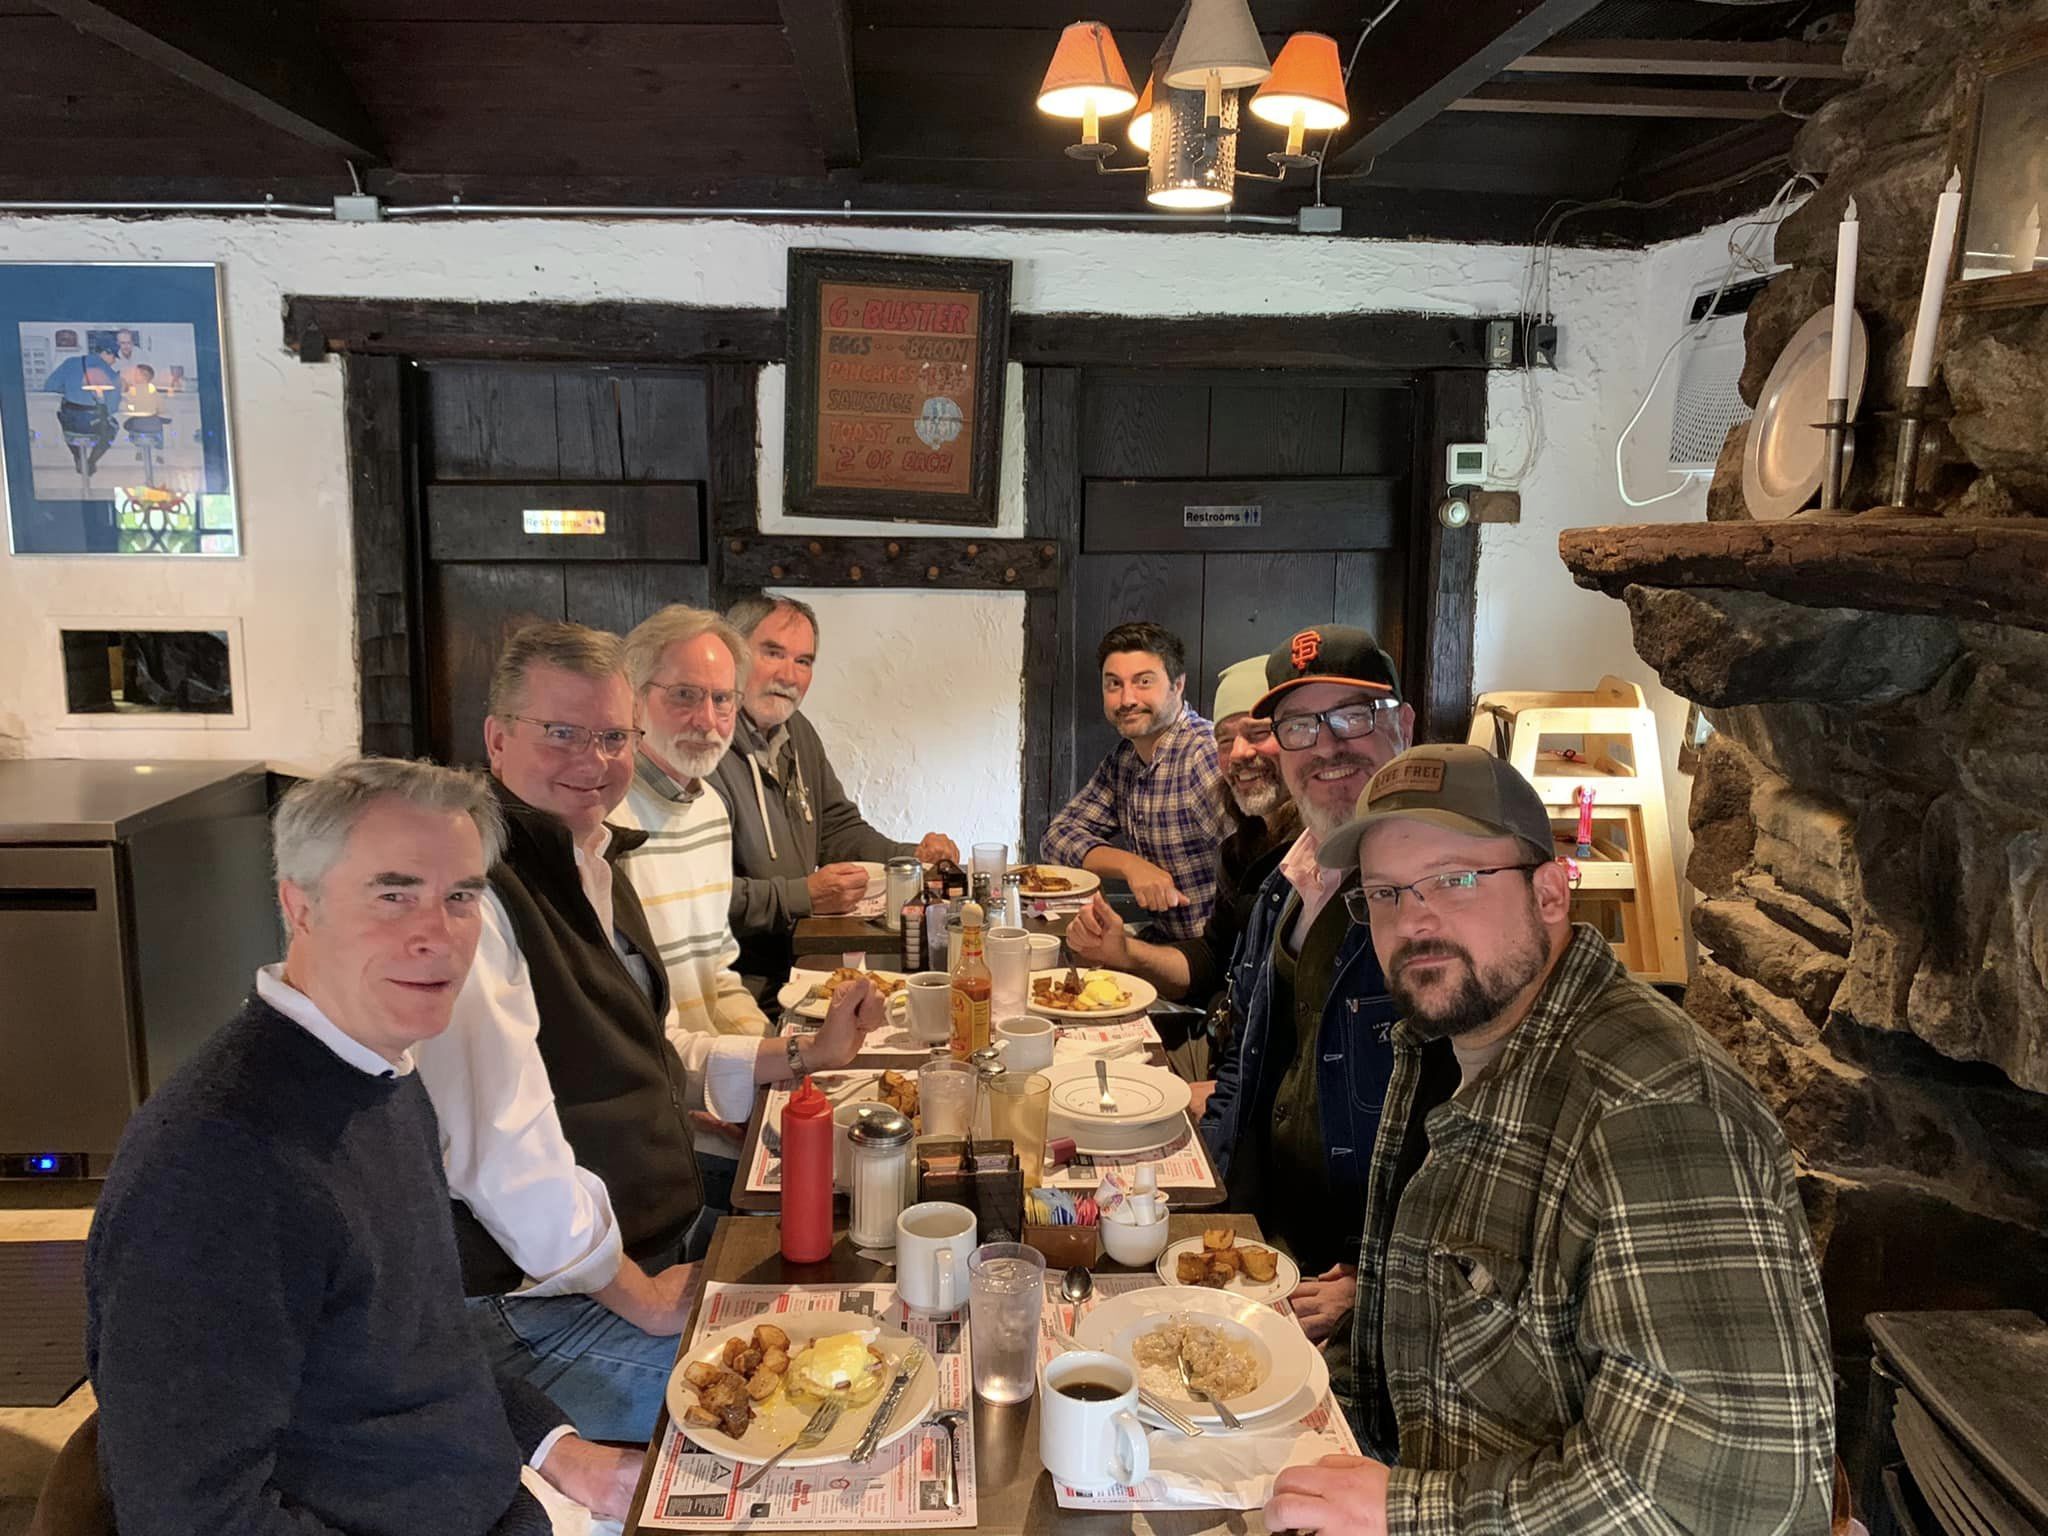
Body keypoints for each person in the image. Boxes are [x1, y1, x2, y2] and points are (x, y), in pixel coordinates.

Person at [1263, 743, 1835, 1536]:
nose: (1414, 921)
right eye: (1386, 893)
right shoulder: (1444, 1043)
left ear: (1552, 893)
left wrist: (1403, 1512)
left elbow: (1732, 1495)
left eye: (1456, 880)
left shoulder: (1655, 1112)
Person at [86, 758, 641, 1536]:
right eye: (393, 895)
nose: (437, 936)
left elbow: (422, 1346)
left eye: (460, 897)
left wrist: (559, 1450)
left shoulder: (381, 1073)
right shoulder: (217, 1162)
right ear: (299, 906)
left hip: (501, 1497)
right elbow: (187, 1515)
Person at [415, 621, 884, 1443]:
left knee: (866, 1308)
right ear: (496, 740)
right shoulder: (475, 900)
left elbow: (654, 1049)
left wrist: (805, 1052)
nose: (593, 761)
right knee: (815, 1413)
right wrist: (638, 1295)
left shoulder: (591, 859)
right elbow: (501, 1160)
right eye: (561, 733)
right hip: (537, 1306)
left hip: (647, 1237)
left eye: (612, 737)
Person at [1196, 626, 1410, 1343]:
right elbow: (1244, 1061)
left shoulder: (1431, 899)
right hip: (1262, 1240)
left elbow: (1473, 1126)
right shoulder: (1285, 884)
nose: (1326, 746)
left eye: (1351, 716)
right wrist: (1204, 1194)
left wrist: (1381, 1278)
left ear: (1404, 725)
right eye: (1299, 726)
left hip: (1348, 1280)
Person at [1064, 653, 1299, 1081]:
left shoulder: (1315, 858)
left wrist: (1226, 1095)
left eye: (1259, 733)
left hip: (1247, 1072)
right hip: (1221, 1037)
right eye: (1225, 740)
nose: (1239, 753)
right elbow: (1212, 960)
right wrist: (1124, 952)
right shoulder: (1242, 847)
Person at [708, 593, 959, 991]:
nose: (789, 676)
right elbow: (698, 895)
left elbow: (837, 831)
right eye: (773, 653)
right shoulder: (704, 748)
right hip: (732, 981)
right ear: (731, 655)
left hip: (796, 965)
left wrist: (910, 858)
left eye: (803, 661)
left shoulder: (798, 733)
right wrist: (801, 896)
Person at [615, 603, 771, 1214]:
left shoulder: (708, 807)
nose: (707, 720)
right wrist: (725, 1092)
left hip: (719, 1083)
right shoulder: (607, 823)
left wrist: (768, 1060)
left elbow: (719, 975)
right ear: (633, 699)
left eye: (722, 699)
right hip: (665, 1119)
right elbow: (631, 1035)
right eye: (684, 695)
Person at [1042, 621, 1226, 942]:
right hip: (1162, 943)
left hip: (1217, 957)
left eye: (1143, 682)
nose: (1127, 699)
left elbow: (1258, 878)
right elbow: (1057, 838)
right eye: (1114, 684)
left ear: (1177, 685)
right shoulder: (1124, 760)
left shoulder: (1204, 755)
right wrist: (1130, 865)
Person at [41, 335, 122, 475]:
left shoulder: (70, 362)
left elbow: (50, 386)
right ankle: (91, 461)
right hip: (92, 423)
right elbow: (112, 408)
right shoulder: (110, 374)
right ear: (105, 352)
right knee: (111, 428)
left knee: (67, 425)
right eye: (114, 356)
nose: (114, 361)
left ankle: (78, 457)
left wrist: (71, 389)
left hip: (70, 420)